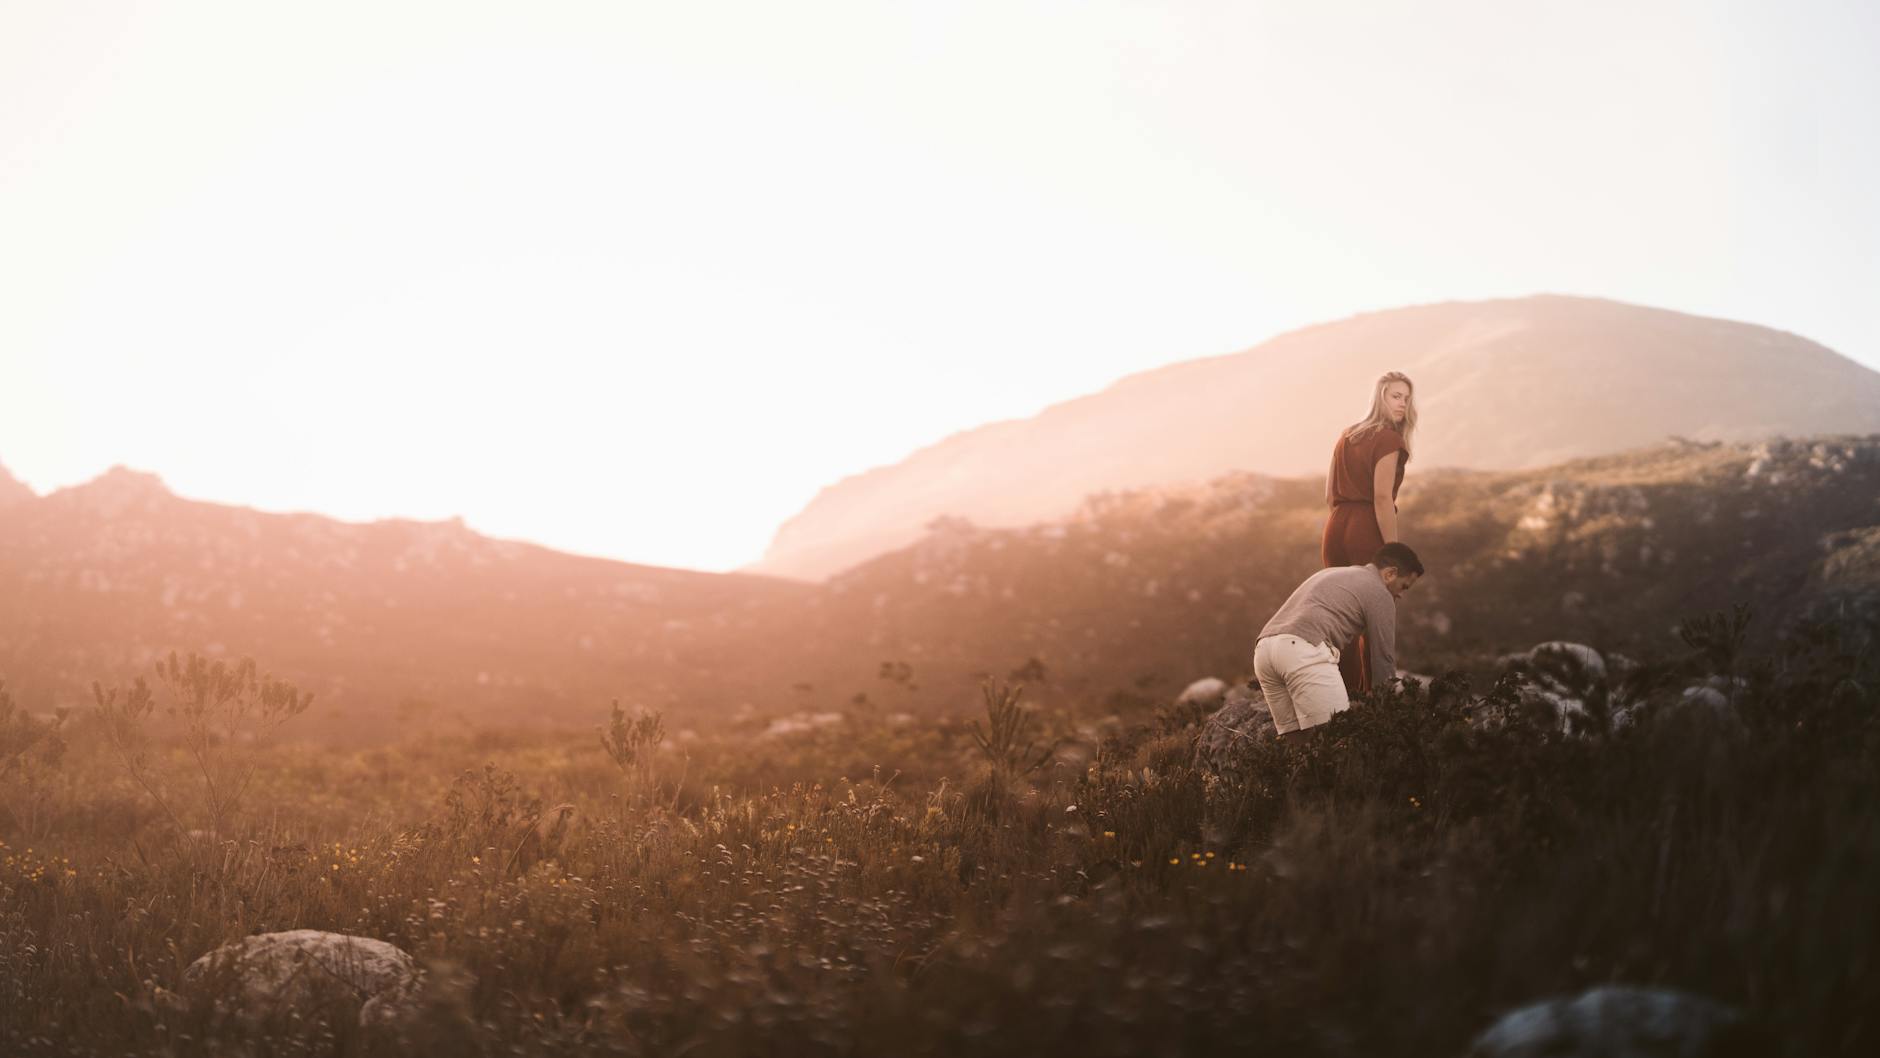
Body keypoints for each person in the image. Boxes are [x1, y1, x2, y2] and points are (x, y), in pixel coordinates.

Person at [1255, 543, 1425, 735]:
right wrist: (1385, 714)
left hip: (1264, 650)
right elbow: (1383, 658)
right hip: (1303, 649)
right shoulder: (1380, 593)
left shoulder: (1333, 574)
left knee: (1296, 741)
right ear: (1390, 574)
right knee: (1339, 736)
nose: (1400, 595)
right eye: (1404, 586)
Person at [1322, 371, 1418, 696]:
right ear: (1380, 397)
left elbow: (1327, 493)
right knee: (1374, 614)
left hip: (1336, 526)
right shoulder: (1389, 439)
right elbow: (1381, 497)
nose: (1403, 403)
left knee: (1341, 614)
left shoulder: (1347, 435)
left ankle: (1339, 697)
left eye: (1406, 397)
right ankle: (1372, 702)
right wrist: (1392, 551)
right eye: (1395, 396)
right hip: (1366, 525)